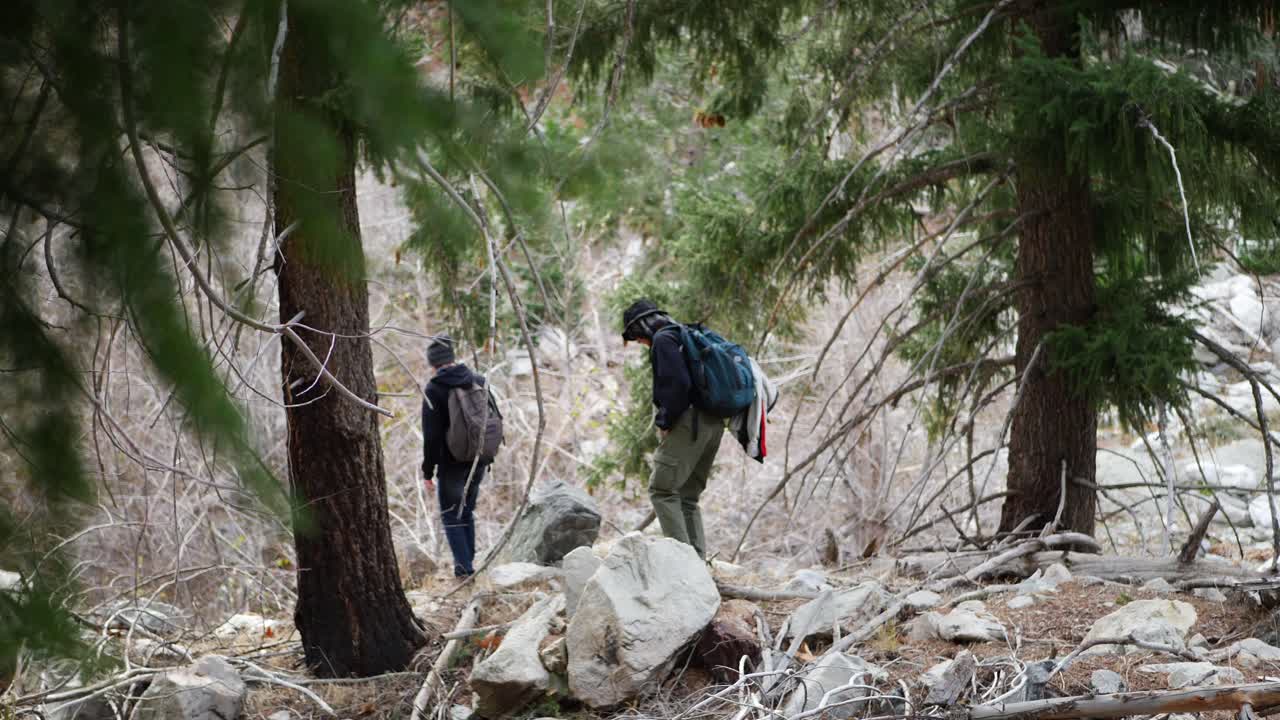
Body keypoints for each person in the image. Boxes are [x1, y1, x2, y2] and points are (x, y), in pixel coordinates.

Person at [621, 299, 724, 558]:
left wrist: (664, 422)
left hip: (689, 422)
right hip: (713, 422)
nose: (640, 344)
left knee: (662, 490)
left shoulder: (664, 341)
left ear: (642, 328)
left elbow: (676, 386)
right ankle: (698, 564)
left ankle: (683, 563)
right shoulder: (687, 334)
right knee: (688, 496)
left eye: (637, 338)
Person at [421, 335, 488, 577]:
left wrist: (428, 472)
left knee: (451, 515)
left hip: (451, 464)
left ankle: (464, 570)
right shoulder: (477, 380)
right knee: (466, 511)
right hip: (479, 460)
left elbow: (431, 437)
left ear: (433, 364)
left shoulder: (434, 389)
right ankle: (469, 564)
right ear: (452, 358)